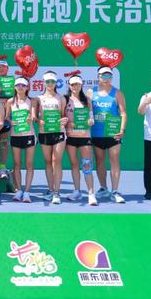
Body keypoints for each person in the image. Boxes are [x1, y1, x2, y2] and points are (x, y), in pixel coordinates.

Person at [89, 66, 128, 204]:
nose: (106, 79)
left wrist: (122, 129)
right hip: (96, 133)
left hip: (113, 133)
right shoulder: (91, 92)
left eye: (109, 76)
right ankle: (103, 188)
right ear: (98, 77)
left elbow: (123, 113)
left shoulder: (117, 93)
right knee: (99, 161)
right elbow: (87, 111)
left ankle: (115, 191)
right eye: (103, 76)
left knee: (114, 160)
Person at [35, 71, 68, 204]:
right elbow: (35, 117)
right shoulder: (38, 99)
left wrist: (64, 120)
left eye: (52, 81)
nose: (50, 84)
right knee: (48, 161)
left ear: (56, 83)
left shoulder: (61, 98)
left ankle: (57, 192)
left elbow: (64, 115)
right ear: (44, 83)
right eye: (47, 81)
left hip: (59, 132)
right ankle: (50, 189)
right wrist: (39, 121)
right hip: (44, 132)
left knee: (56, 161)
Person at [65, 74, 97, 206]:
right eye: (73, 84)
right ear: (69, 86)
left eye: (77, 84)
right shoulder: (65, 99)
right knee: (74, 164)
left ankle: (91, 193)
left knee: (87, 165)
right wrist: (68, 123)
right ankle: (77, 191)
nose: (75, 87)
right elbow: (61, 118)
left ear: (81, 85)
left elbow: (91, 117)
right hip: (70, 137)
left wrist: (90, 121)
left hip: (84, 137)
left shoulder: (87, 100)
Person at [6, 77, 36, 203]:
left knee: (29, 164)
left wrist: (31, 118)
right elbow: (7, 117)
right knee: (17, 164)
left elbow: (34, 115)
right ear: (14, 87)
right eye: (18, 85)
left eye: (23, 85)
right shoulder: (10, 101)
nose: (20, 87)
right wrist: (10, 121)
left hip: (29, 135)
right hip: (15, 135)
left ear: (27, 88)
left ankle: (27, 192)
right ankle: (19, 190)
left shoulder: (32, 101)